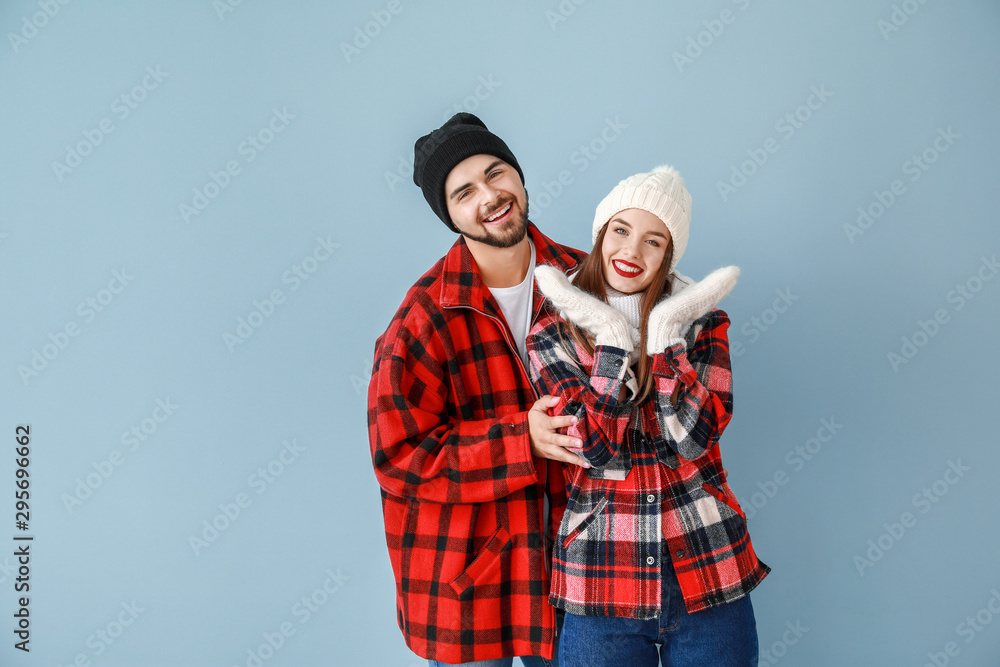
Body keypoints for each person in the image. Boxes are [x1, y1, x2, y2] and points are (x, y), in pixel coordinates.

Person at [368, 112, 590, 666]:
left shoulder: (586, 284)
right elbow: (398, 457)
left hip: (581, 568)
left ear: (517, 175)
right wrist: (522, 440)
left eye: (497, 173)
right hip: (470, 582)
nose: (490, 196)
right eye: (465, 191)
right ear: (449, 215)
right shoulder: (420, 321)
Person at [525, 165, 770, 666]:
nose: (631, 252)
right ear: (600, 234)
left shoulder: (704, 324)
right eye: (620, 230)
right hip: (601, 580)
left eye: (653, 241)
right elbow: (592, 446)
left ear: (668, 254)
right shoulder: (551, 333)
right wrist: (614, 339)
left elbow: (692, 438)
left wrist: (664, 337)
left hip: (707, 567)